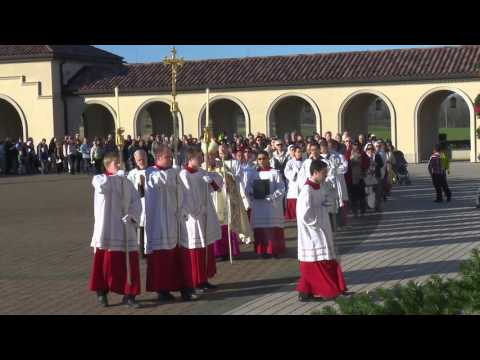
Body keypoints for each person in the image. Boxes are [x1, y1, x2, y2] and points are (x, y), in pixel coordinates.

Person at [88, 152, 143, 308]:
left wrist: (132, 215)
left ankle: (130, 294)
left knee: (129, 262)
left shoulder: (126, 182)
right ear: (107, 166)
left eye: (120, 163)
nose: (120, 166)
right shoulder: (100, 179)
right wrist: (115, 177)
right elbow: (102, 187)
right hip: (108, 228)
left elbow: (136, 201)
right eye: (116, 163)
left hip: (125, 228)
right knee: (106, 262)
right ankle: (101, 292)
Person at [144, 145, 198, 302]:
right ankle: (162, 290)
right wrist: (173, 172)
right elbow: (162, 182)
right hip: (158, 223)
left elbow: (181, 191)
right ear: (158, 157)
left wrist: (182, 209)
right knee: (162, 260)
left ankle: (185, 288)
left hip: (175, 220)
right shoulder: (150, 172)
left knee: (179, 258)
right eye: (168, 157)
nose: (171, 159)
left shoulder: (173, 172)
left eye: (171, 157)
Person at [296, 159, 348, 302]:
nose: (326, 175)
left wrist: (328, 203)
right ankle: (328, 290)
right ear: (315, 172)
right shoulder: (307, 190)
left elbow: (323, 202)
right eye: (324, 173)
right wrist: (318, 221)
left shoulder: (318, 186)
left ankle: (306, 292)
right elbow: (304, 214)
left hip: (323, 226)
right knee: (318, 261)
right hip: (313, 232)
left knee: (327, 259)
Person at [178, 146, 222, 292]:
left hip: (206, 214)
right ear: (190, 159)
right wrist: (196, 210)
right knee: (196, 249)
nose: (201, 159)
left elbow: (217, 187)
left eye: (201, 156)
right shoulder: (184, 174)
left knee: (206, 248)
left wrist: (211, 180)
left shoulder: (202, 171)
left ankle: (204, 279)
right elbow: (185, 196)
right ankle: (196, 280)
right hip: (193, 217)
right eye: (198, 157)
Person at [246, 150, 286, 259]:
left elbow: (281, 188)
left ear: (268, 159)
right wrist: (252, 192)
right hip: (259, 206)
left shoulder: (275, 172)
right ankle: (262, 251)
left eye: (264, 158)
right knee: (260, 229)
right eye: (259, 159)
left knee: (273, 228)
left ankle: (274, 250)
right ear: (257, 161)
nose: (262, 161)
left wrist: (273, 196)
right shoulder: (253, 173)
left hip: (271, 206)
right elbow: (248, 187)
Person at [127, 150, 148, 259]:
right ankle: (140, 250)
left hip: (149, 204)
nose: (142, 161)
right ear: (135, 160)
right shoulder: (132, 173)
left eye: (144, 159)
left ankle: (148, 249)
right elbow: (128, 190)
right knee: (140, 227)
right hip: (138, 203)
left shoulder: (152, 171)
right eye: (139, 160)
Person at [284, 145, 304, 221]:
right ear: (294, 153)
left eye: (300, 152)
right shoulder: (290, 162)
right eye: (298, 152)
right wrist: (295, 172)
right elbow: (286, 173)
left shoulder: (305, 162)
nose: (299, 153)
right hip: (293, 186)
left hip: (302, 186)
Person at [348, 142, 368, 217]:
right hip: (351, 178)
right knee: (353, 197)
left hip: (360, 177)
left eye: (356, 145)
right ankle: (355, 212)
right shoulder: (348, 153)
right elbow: (346, 162)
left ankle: (362, 211)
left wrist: (363, 169)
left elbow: (367, 162)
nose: (355, 146)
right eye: (354, 145)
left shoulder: (362, 153)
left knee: (361, 195)